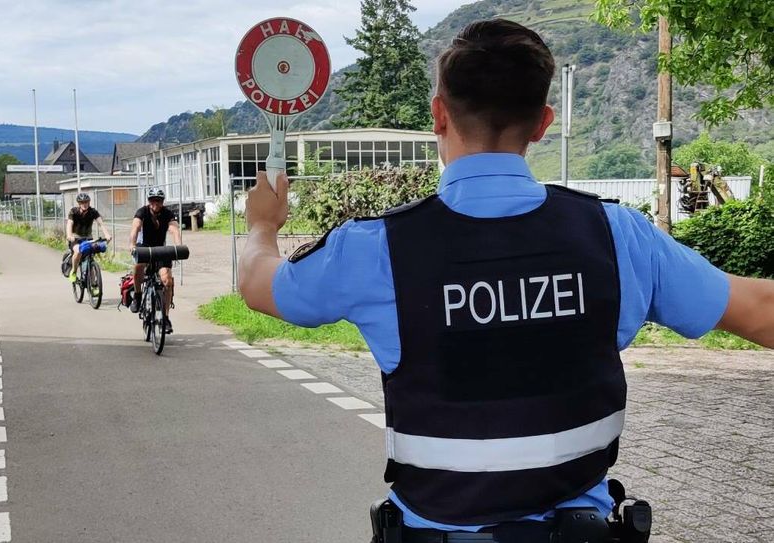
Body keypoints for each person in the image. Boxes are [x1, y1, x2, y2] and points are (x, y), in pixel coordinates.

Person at [237, 18, 774, 540]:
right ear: (543, 123)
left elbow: (259, 285)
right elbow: (759, 312)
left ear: (438, 115)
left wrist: (263, 225)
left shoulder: (376, 247)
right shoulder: (618, 235)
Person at [128, 188, 182, 334]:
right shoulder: (142, 212)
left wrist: (179, 246)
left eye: (158, 200)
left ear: (162, 202)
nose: (155, 203)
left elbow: (174, 229)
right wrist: (132, 245)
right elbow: (136, 228)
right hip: (144, 247)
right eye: (152, 200)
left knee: (167, 281)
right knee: (138, 266)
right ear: (149, 201)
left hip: (160, 249)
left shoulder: (167, 213)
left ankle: (165, 317)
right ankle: (138, 296)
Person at [66, 192, 112, 283]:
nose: (84, 204)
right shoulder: (73, 211)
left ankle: (94, 284)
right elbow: (69, 224)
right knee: (78, 251)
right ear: (79, 203)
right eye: (82, 202)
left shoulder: (93, 212)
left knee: (90, 258)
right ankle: (74, 271)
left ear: (89, 202)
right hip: (76, 238)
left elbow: (100, 223)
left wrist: (107, 234)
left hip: (88, 238)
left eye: (86, 202)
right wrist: (69, 235)